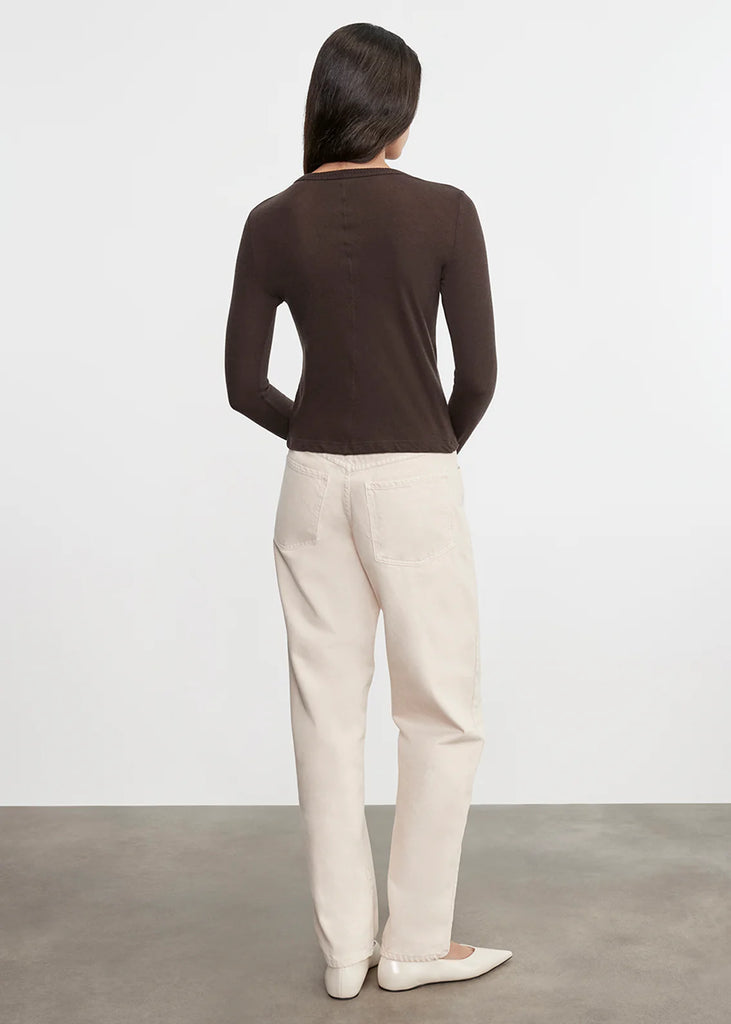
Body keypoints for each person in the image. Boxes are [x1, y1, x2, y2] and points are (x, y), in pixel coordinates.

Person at [224, 22, 512, 999]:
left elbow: (242, 385)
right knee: (438, 714)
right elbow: (478, 376)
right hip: (413, 480)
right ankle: (414, 944)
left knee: (325, 718)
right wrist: (426, 448)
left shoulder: (271, 219)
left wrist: (316, 434)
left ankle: (345, 952)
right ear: (395, 113)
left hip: (310, 484)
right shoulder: (445, 211)